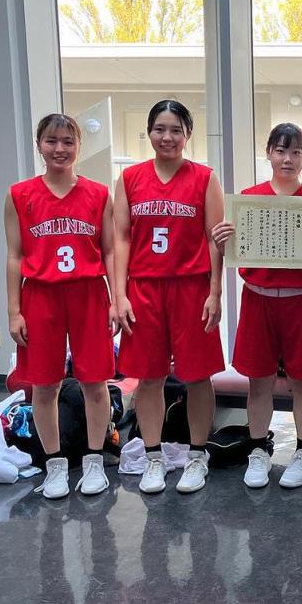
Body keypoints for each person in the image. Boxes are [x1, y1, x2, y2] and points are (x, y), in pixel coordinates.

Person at [211, 123, 302, 489]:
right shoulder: (248, 200)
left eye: (296, 152)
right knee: (258, 383)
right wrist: (222, 242)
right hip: (258, 299)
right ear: (268, 153)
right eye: (281, 150)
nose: (288, 159)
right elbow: (233, 252)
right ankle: (257, 451)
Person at [113, 99, 225, 495]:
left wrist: (215, 291)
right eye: (160, 129)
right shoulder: (130, 178)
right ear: (149, 132)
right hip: (144, 287)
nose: (167, 137)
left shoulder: (205, 178)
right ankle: (153, 456)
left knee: (197, 376)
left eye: (176, 130)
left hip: (191, 287)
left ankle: (197, 456)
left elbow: (215, 239)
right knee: (149, 377)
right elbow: (121, 238)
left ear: (188, 135)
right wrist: (119, 294)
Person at [4, 113, 117, 499]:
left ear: (79, 146)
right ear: (39, 145)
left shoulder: (98, 194)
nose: (59, 149)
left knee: (95, 382)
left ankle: (94, 460)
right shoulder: (19, 195)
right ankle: (53, 464)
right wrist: (14, 310)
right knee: (44, 385)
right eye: (51, 141)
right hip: (41, 295)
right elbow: (14, 256)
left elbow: (110, 251)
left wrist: (117, 299)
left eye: (68, 141)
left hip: (89, 293)